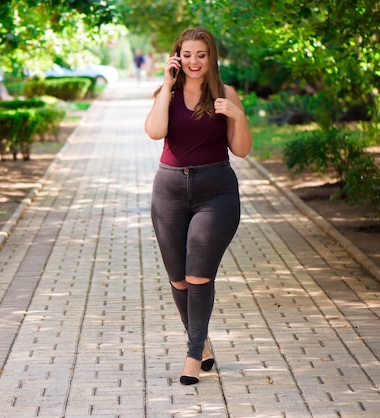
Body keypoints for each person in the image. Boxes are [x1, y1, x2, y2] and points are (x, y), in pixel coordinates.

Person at [144, 27, 252, 385]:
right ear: (177, 56)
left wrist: (237, 114)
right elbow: (155, 132)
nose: (194, 61)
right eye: (187, 54)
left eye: (201, 55)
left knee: (197, 275)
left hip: (216, 192)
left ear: (212, 58)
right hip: (170, 192)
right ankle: (201, 340)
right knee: (179, 279)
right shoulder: (166, 94)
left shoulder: (226, 94)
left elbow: (242, 150)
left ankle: (192, 357)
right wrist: (166, 84)